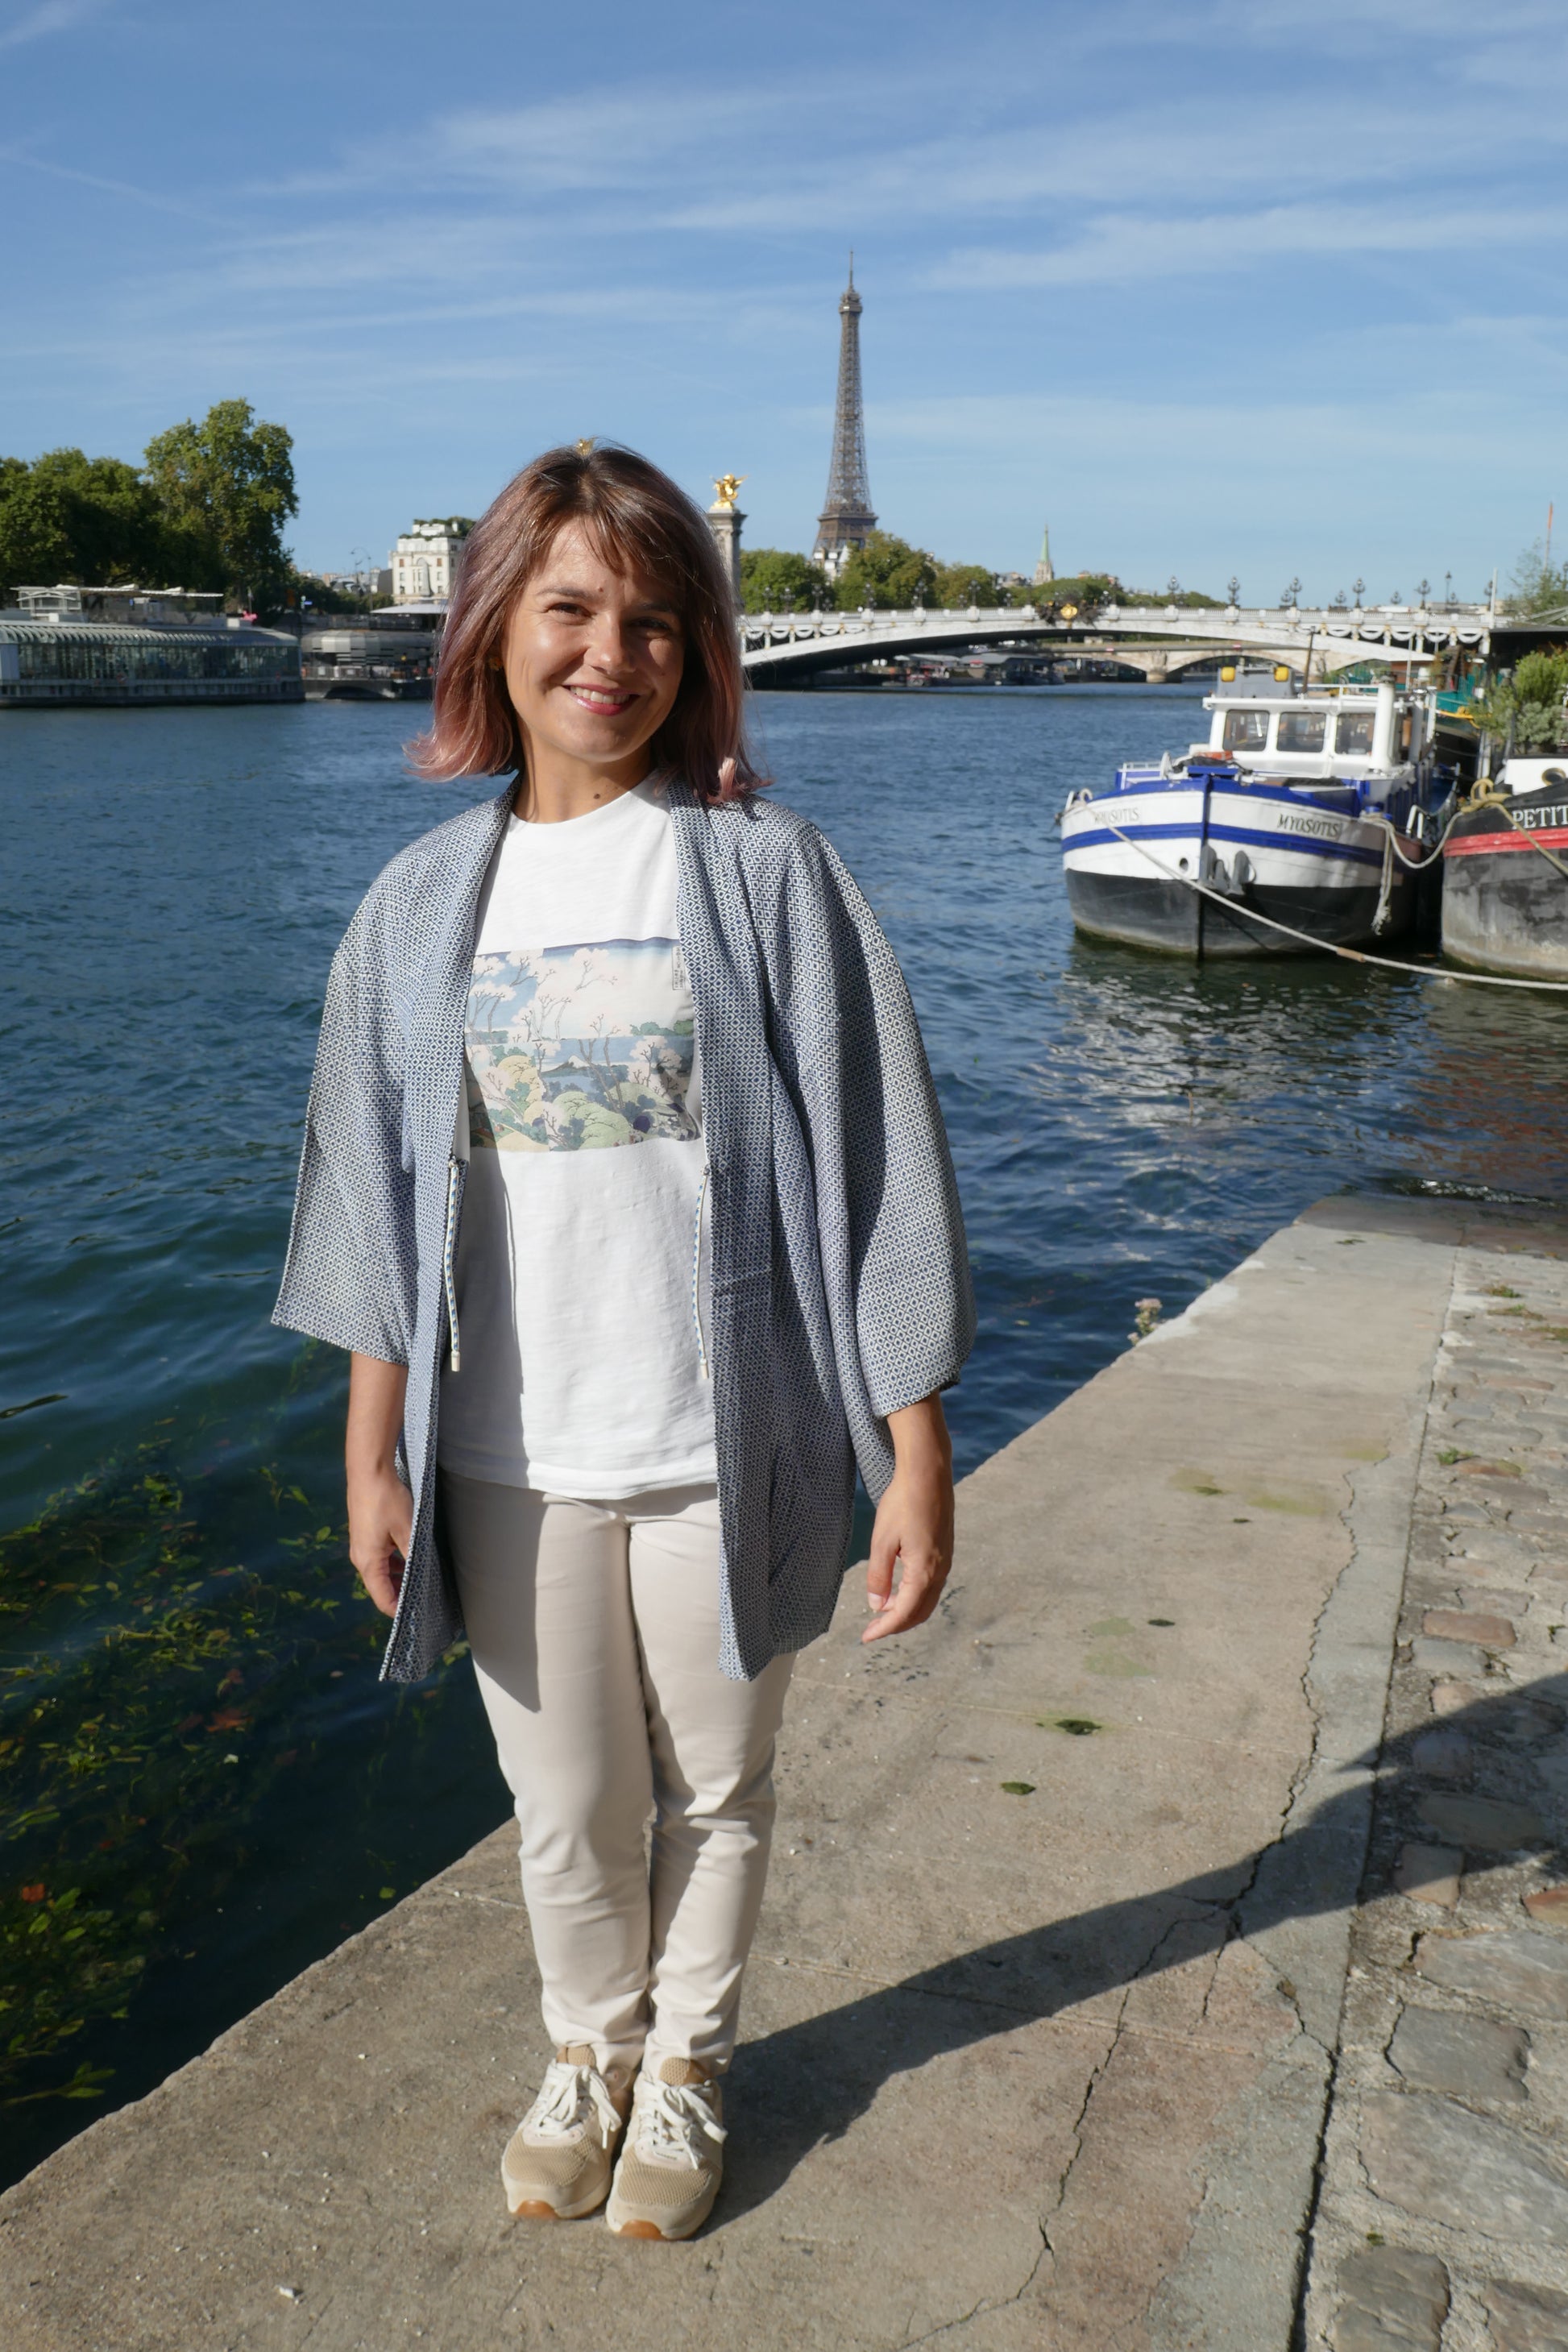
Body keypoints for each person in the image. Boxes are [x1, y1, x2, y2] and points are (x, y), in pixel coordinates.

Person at [273, 442, 974, 2242]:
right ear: (494, 627)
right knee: (566, 1803)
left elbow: (873, 1155)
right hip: (503, 1446)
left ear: (699, 649)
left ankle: (688, 2065)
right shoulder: (421, 906)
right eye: (571, 608)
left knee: (721, 1786)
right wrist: (370, 1449)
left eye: (655, 619)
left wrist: (914, 1442)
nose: (611, 652)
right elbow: (371, 1187)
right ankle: (585, 2044)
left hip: (720, 1429)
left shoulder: (764, 873)